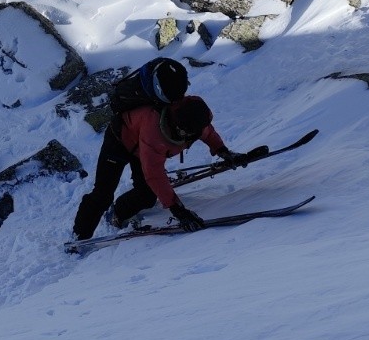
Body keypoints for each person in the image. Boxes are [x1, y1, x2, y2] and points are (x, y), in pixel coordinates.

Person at [72, 94, 251, 241]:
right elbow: (154, 174)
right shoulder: (155, 132)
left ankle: (118, 211)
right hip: (119, 141)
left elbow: (208, 132)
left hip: (140, 145)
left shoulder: (192, 120)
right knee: (102, 194)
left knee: (147, 196)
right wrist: (177, 209)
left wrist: (224, 151)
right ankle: (79, 237)